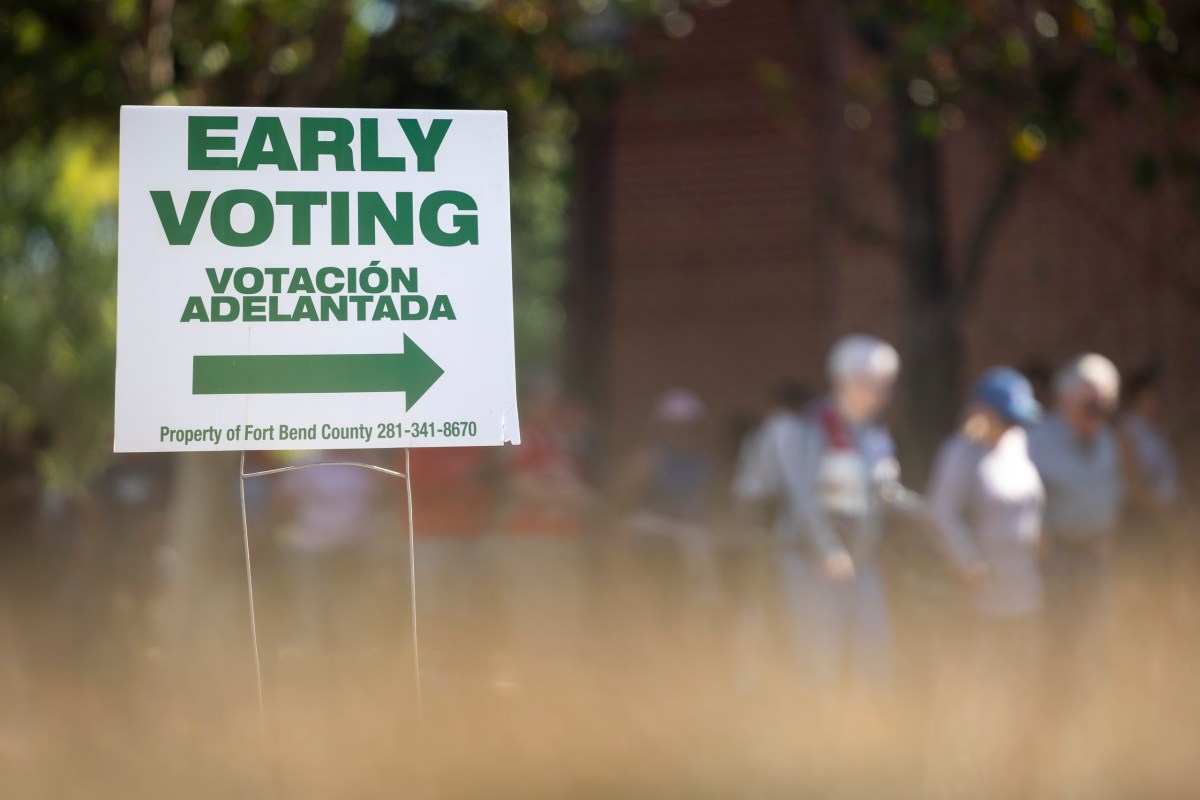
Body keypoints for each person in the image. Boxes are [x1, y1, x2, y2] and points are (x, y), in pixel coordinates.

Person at [926, 368, 1045, 786]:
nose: (1011, 425)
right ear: (981, 412)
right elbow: (942, 512)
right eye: (1004, 416)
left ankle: (1013, 765)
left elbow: (1030, 502)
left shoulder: (1018, 443)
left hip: (1025, 590)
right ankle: (964, 766)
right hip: (981, 595)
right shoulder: (961, 451)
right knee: (979, 684)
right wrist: (969, 563)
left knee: (1021, 684)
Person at [774, 334, 906, 697]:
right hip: (812, 562)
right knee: (820, 658)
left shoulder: (874, 432)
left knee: (874, 657)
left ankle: (867, 735)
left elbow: (882, 491)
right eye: (873, 385)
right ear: (845, 381)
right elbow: (802, 495)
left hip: (862, 561)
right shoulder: (813, 426)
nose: (881, 396)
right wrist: (827, 549)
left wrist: (918, 510)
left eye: (885, 387)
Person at [1027, 354, 1122, 678]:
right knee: (1056, 643)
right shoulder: (1037, 442)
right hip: (1057, 561)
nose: (1100, 414)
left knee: (1092, 642)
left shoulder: (1107, 440)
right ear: (1066, 398)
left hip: (1096, 559)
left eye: (1107, 406)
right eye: (1091, 405)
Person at [610, 389, 717, 671]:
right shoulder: (648, 457)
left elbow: (708, 503)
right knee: (649, 607)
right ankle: (645, 663)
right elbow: (621, 497)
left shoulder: (702, 459)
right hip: (651, 544)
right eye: (676, 425)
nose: (682, 431)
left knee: (682, 608)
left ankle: (676, 663)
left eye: (688, 425)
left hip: (687, 546)